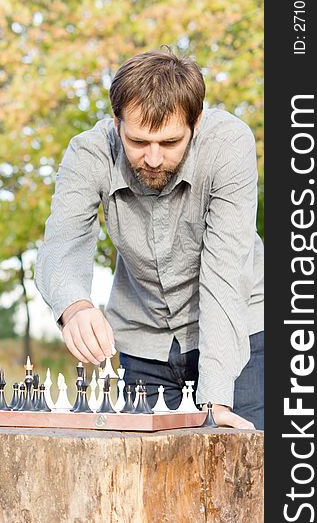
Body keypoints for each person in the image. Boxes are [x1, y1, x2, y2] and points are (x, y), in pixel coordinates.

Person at [34, 46, 264, 430]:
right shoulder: (89, 152)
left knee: (244, 476)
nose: (153, 159)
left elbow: (226, 272)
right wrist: (75, 308)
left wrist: (217, 400)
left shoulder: (228, 145)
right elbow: (62, 242)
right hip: (144, 343)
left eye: (170, 143)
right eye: (138, 142)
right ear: (116, 122)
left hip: (242, 336)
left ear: (197, 121)